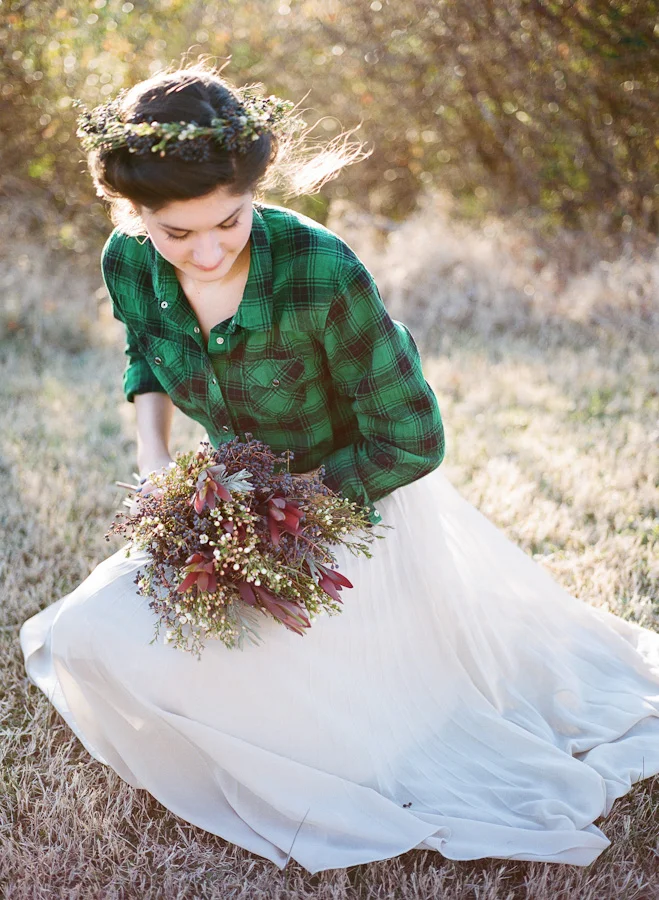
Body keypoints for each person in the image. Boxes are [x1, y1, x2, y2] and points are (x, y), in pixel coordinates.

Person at [20, 64, 659, 875]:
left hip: (360, 503)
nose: (208, 252)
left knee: (352, 736)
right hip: (230, 501)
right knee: (87, 635)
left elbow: (411, 438)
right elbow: (145, 346)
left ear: (254, 192)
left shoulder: (319, 267)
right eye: (177, 233)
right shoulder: (129, 260)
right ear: (131, 211)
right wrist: (155, 461)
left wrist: (289, 518)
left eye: (229, 221)